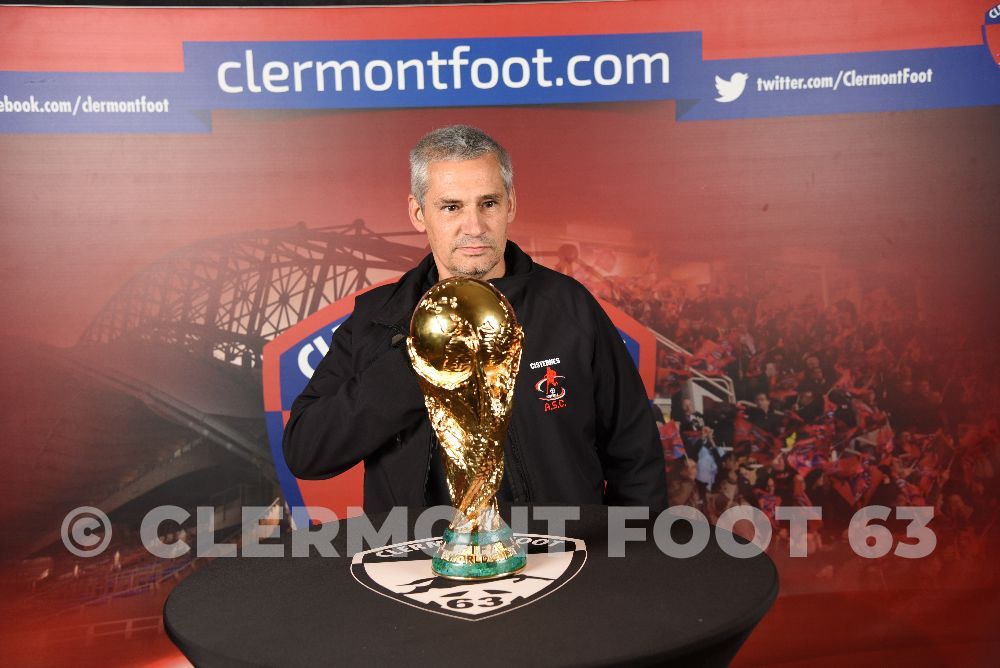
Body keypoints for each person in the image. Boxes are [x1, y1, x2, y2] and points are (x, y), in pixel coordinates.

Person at [282, 125, 667, 514]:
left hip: (560, 558)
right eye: (452, 207)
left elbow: (634, 452)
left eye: (489, 203)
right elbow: (307, 452)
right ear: (419, 213)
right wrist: (417, 365)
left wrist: (628, 556)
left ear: (511, 205)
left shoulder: (569, 306)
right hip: (419, 564)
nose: (475, 226)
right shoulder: (379, 319)